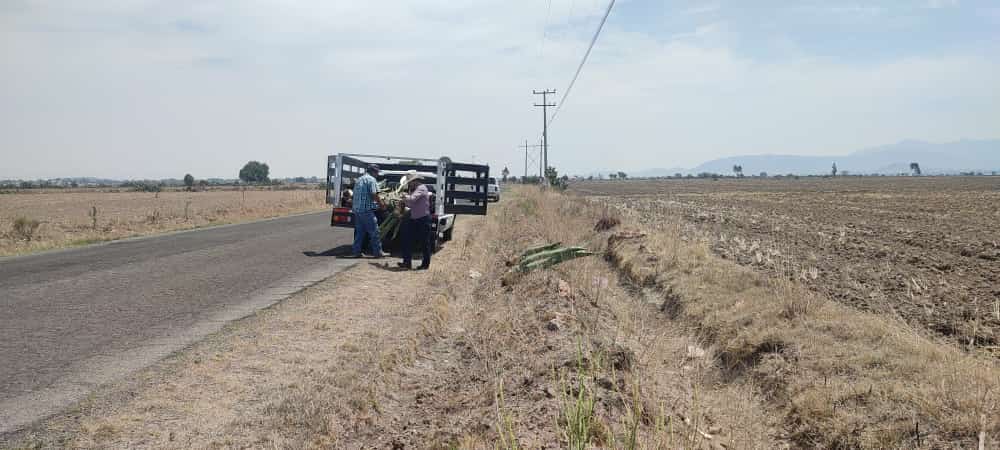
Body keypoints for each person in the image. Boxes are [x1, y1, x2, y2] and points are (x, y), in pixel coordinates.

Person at [397, 173, 432, 270]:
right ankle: (407, 263)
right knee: (407, 239)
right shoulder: (416, 189)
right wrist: (404, 201)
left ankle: (425, 265)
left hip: (423, 218)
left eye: (410, 182)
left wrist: (404, 196)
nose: (409, 184)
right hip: (416, 218)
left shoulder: (421, 188)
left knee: (424, 242)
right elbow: (411, 203)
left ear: (415, 181)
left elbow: (412, 199)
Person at [349, 164, 384, 258]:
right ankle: (378, 252)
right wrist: (381, 204)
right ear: (373, 172)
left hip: (357, 210)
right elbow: (373, 194)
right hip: (366, 210)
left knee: (360, 232)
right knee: (374, 232)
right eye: (377, 172)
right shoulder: (371, 180)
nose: (377, 174)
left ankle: (356, 252)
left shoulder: (359, 179)